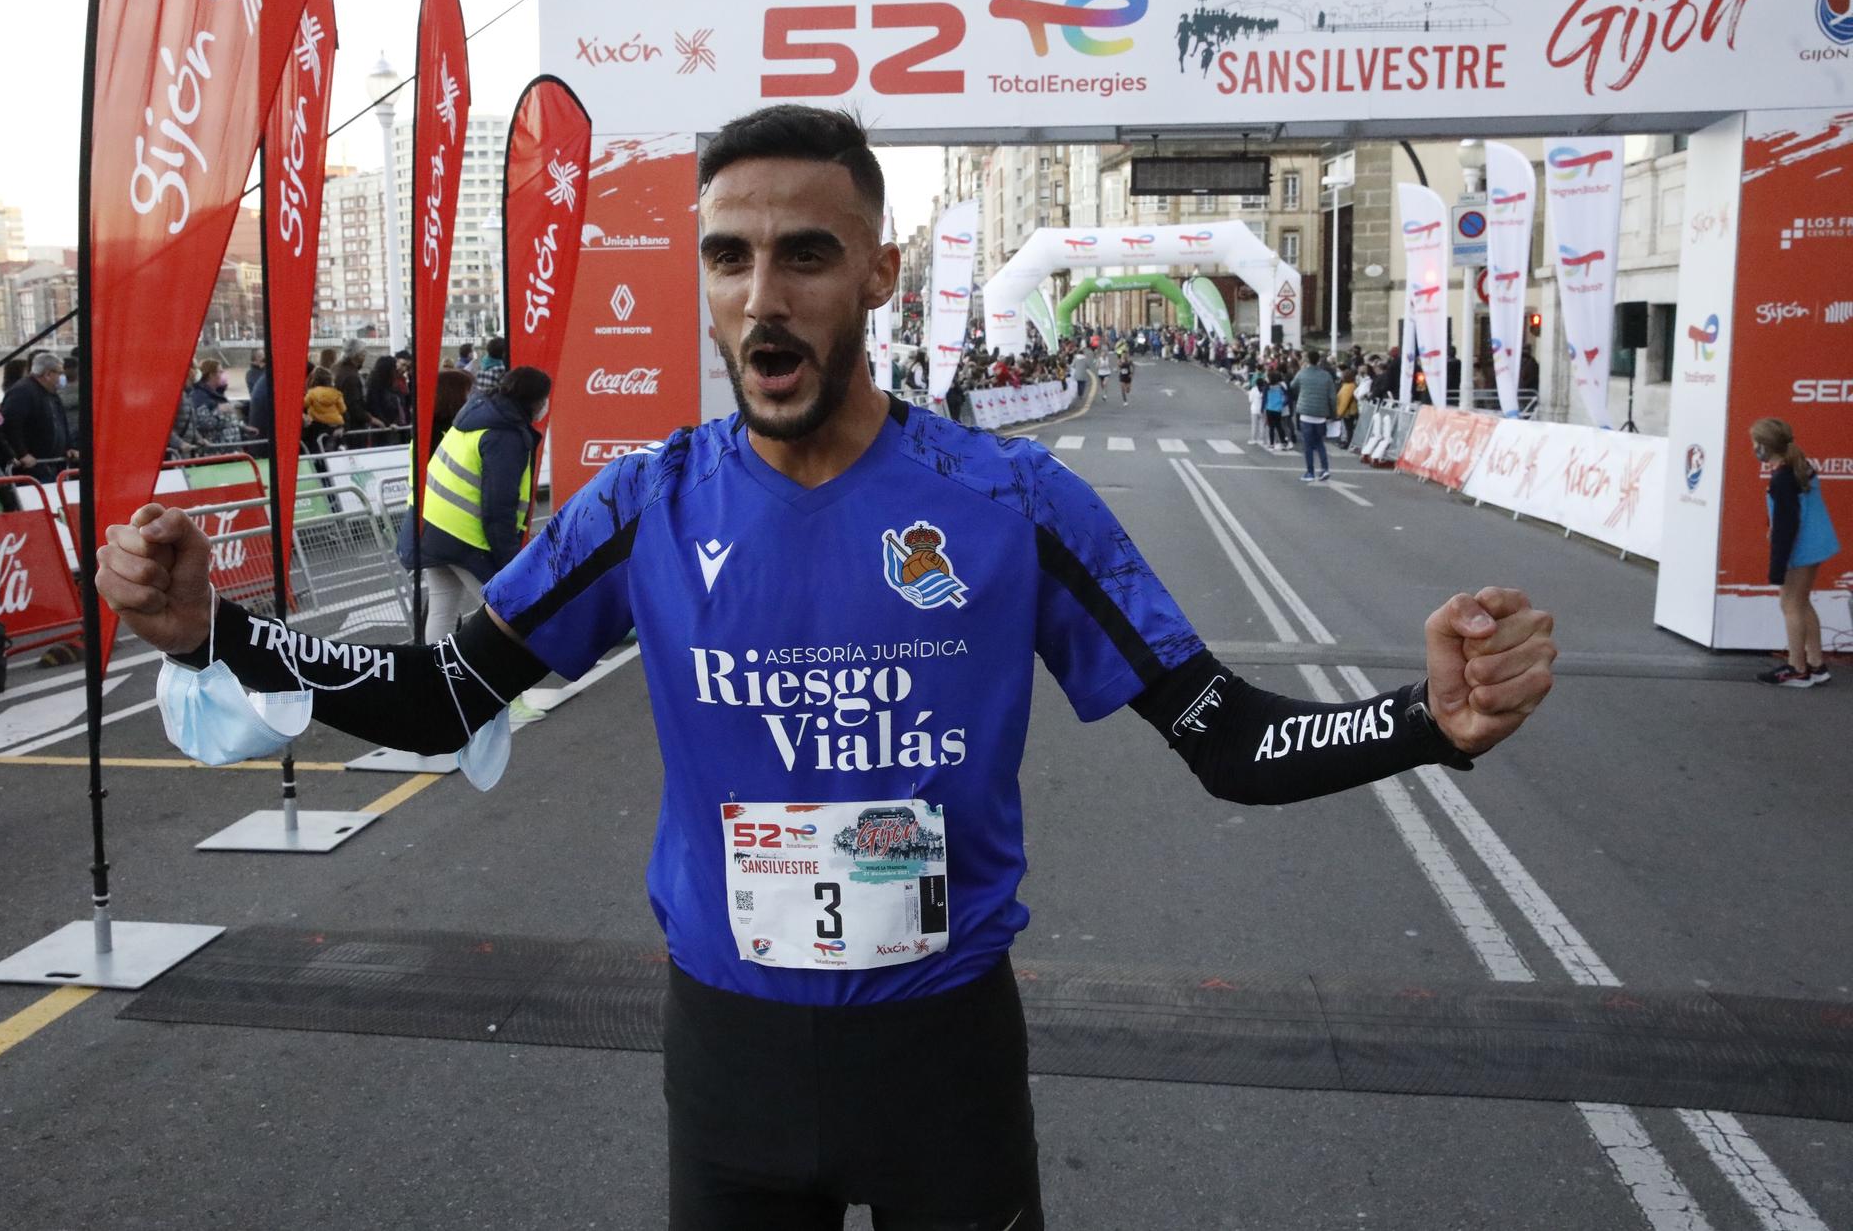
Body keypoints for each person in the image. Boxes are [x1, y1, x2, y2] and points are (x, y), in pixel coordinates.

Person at [96, 104, 1557, 1231]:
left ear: (877, 270)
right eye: (729, 256)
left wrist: (1421, 722)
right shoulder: (643, 504)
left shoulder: (1011, 502)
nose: (761, 293)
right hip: (728, 1063)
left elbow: (1226, 736)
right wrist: (218, 632)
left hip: (945, 1067)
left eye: (804, 252)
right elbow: (441, 700)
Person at [397, 366, 551, 644]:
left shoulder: (474, 419)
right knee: (508, 610)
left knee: (442, 609)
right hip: (464, 536)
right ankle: (504, 683)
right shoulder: (505, 434)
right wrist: (509, 559)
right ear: (535, 400)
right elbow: (498, 505)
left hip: (432, 526)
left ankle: (437, 680)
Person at [1750, 418, 1838, 687]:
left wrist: (1778, 568)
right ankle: (1815, 663)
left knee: (1790, 606)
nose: (1753, 448)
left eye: (1755, 444)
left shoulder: (1782, 479)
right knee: (1802, 603)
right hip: (1817, 544)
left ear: (1765, 447)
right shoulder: (1799, 467)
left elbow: (1786, 528)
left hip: (1801, 549)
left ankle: (1797, 668)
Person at [2, 353, 75, 478]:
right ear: (47, 374)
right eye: (60, 373)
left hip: (54, 463)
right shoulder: (22, 392)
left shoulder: (51, 392)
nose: (63, 377)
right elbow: (10, 425)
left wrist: (68, 447)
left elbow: (61, 422)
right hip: (34, 467)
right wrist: (22, 453)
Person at [1290, 350, 1337, 483]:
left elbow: (1292, 386)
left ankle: (1310, 472)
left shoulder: (1302, 373)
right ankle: (1325, 469)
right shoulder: (1326, 376)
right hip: (1321, 415)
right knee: (1320, 443)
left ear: (1307, 360)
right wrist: (1333, 413)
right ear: (1319, 360)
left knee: (1308, 445)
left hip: (1306, 414)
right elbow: (1332, 397)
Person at [302, 367, 347, 452]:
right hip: (334, 425)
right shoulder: (337, 394)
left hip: (315, 429)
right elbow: (343, 409)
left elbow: (304, 404)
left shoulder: (311, 393)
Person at [1262, 367, 1290, 450]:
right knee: (1279, 426)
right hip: (1278, 409)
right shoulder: (1280, 387)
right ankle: (1284, 443)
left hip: (1269, 408)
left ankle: (1271, 443)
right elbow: (1286, 397)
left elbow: (1264, 397)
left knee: (1271, 427)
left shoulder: (1267, 387)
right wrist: (1282, 404)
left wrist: (1263, 408)